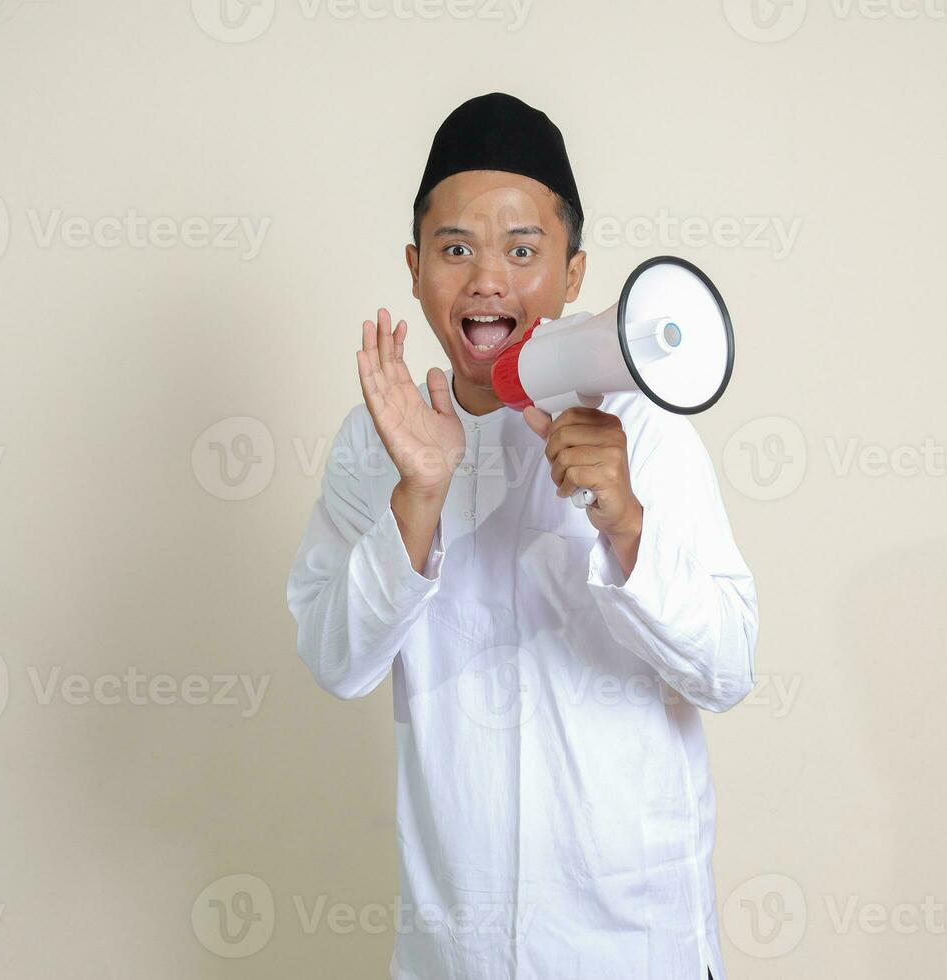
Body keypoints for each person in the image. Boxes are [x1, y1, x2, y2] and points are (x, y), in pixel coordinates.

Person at [286, 92, 758, 980]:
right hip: (453, 955)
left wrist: (626, 523)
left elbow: (729, 670)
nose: (487, 279)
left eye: (523, 250)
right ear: (416, 267)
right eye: (455, 249)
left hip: (636, 946)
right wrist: (419, 496)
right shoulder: (376, 442)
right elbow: (335, 660)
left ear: (573, 274)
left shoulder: (647, 432)